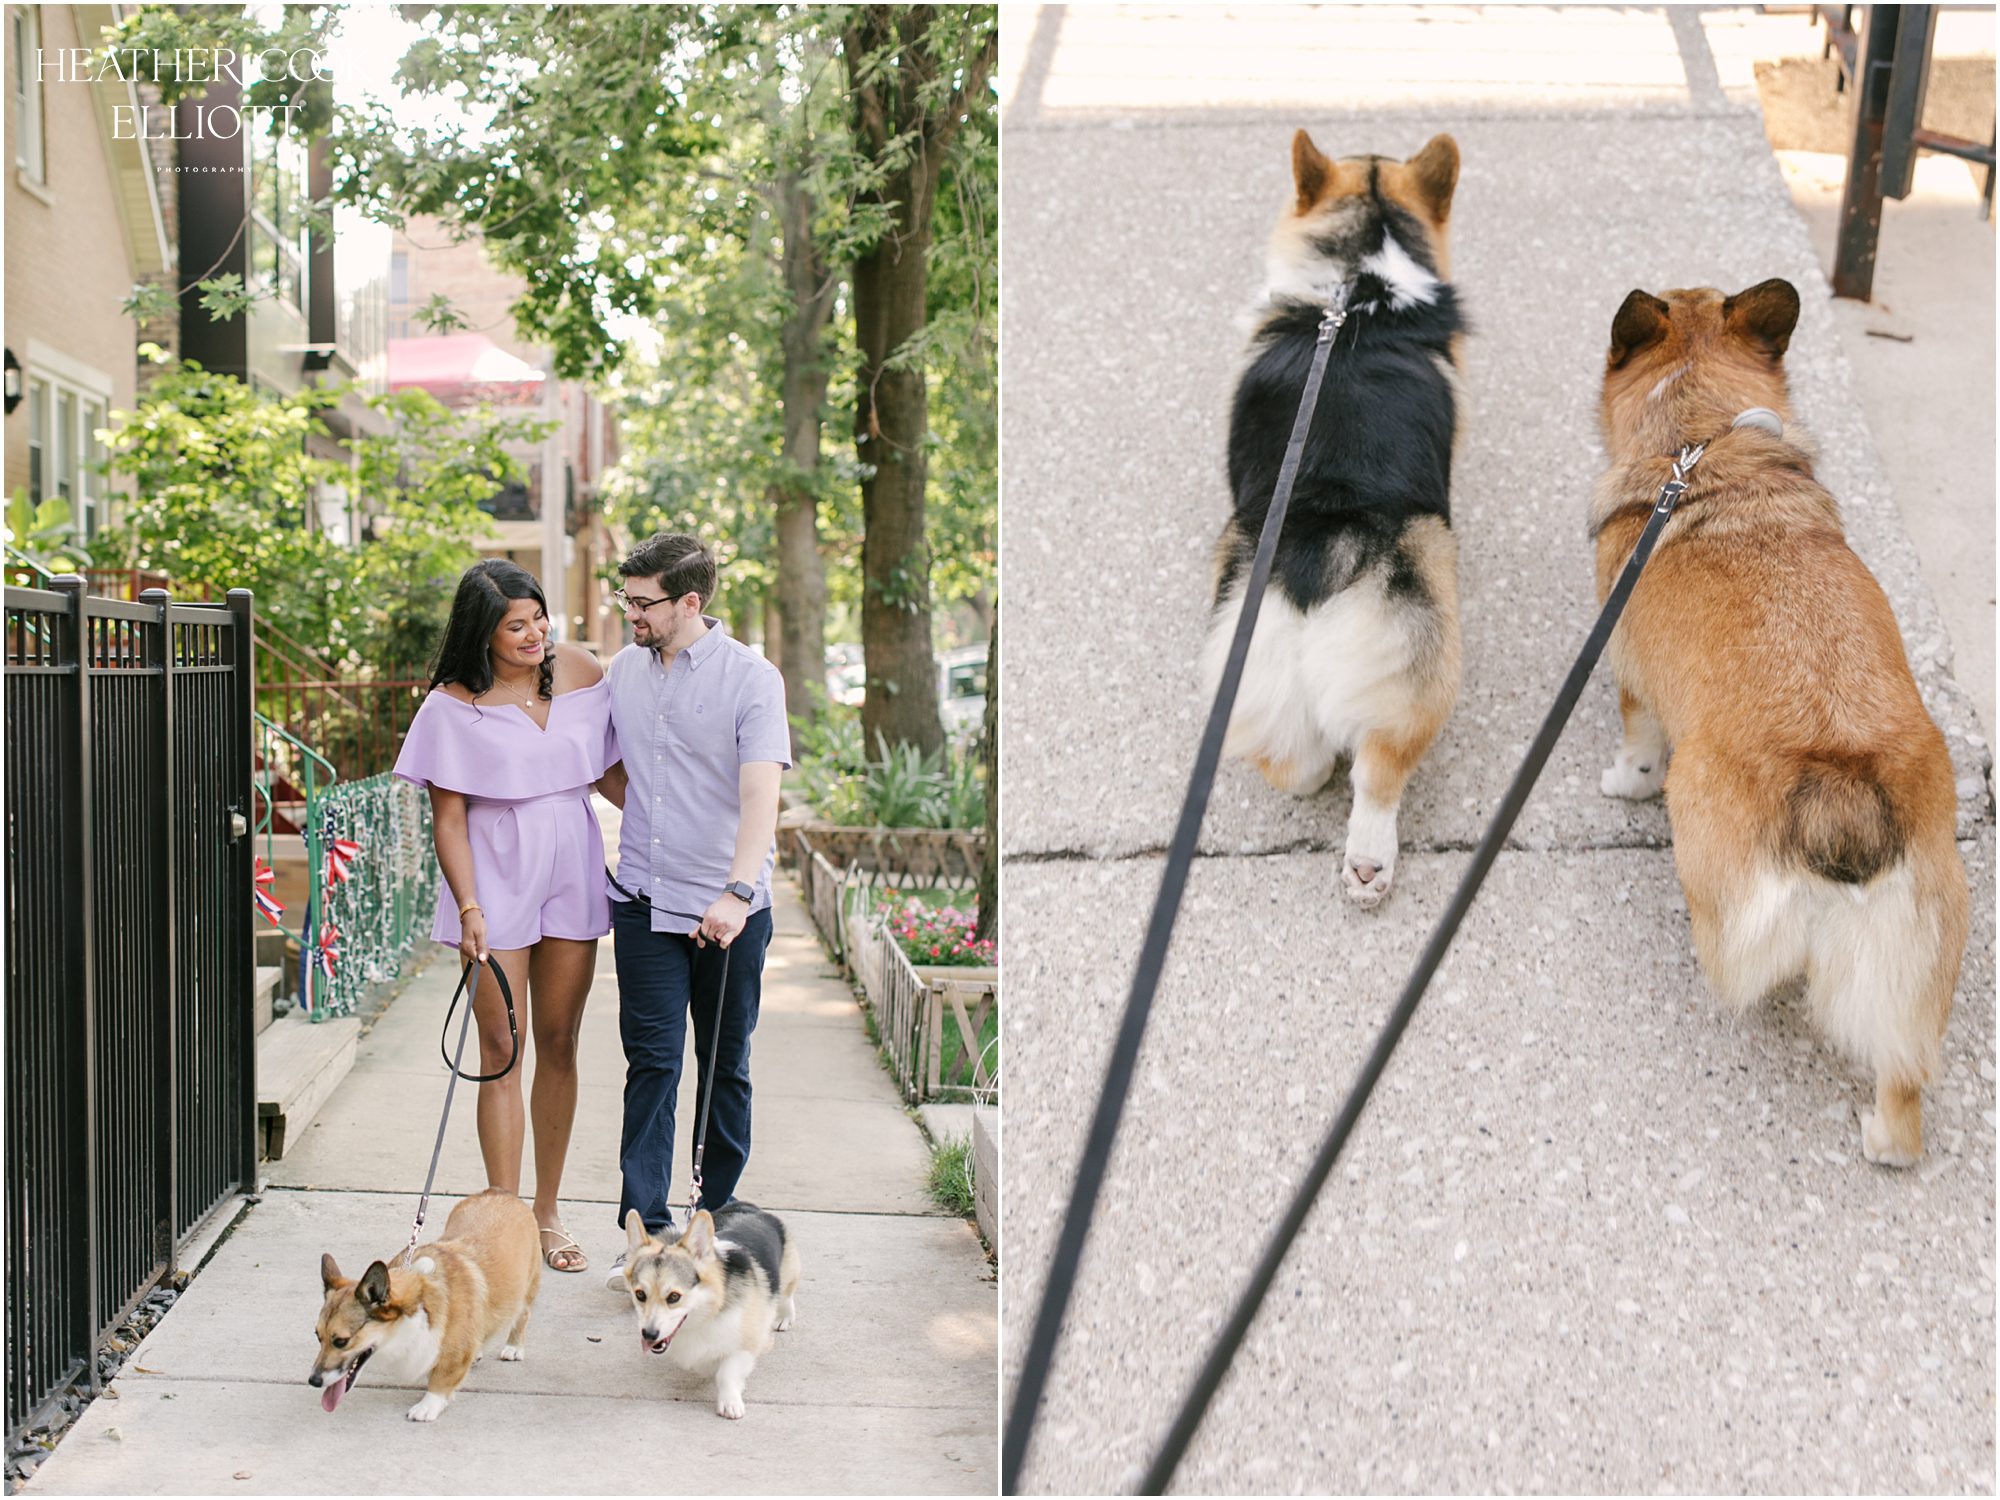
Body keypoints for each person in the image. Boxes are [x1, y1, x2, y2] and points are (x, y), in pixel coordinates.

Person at [391, 559, 620, 1273]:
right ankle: (503, 1222)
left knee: (560, 1040)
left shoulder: (581, 670)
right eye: (514, 625)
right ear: (482, 633)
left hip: (573, 864)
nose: (533, 634)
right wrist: (468, 906)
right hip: (495, 874)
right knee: (502, 1050)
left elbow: (615, 775)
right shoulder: (451, 704)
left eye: (538, 618)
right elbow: (449, 820)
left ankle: (546, 1214)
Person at [595, 532, 789, 1280]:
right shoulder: (624, 672)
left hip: (727, 907)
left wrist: (737, 892)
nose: (630, 614)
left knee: (724, 1065)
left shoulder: (751, 678)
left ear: (689, 602)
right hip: (644, 899)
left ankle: (720, 1220)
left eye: (642, 603)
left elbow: (759, 792)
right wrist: (645, 814)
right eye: (626, 598)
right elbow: (612, 770)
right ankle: (646, 1232)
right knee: (652, 1063)